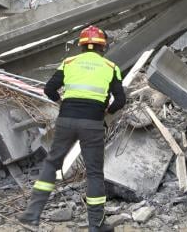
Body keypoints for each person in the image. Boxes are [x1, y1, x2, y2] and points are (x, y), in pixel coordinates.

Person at [17, 25, 126, 232]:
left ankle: (31, 215)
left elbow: (49, 89)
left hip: (66, 120)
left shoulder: (69, 62)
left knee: (52, 163)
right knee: (94, 173)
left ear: (82, 46)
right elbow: (121, 100)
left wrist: (60, 102)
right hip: (93, 123)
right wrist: (106, 113)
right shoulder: (111, 67)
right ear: (103, 47)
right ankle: (96, 225)